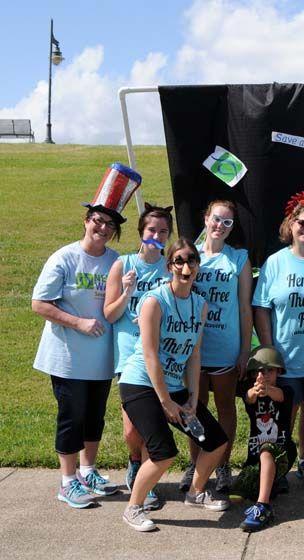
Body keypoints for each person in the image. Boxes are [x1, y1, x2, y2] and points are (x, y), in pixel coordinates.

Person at [31, 163, 140, 508]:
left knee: (94, 416)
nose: (103, 227)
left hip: (101, 358)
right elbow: (39, 303)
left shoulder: (116, 261)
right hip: (67, 357)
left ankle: (88, 470)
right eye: (97, 220)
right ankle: (67, 481)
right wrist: (77, 322)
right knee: (72, 416)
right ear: (86, 220)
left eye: (110, 224)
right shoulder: (64, 258)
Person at [119, 238, 229, 532]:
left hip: (173, 386)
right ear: (170, 267)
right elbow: (150, 354)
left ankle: (195, 493)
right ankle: (133, 508)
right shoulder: (155, 301)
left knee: (216, 440)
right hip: (141, 384)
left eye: (191, 260)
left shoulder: (199, 305)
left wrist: (192, 396)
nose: (186, 266)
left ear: (197, 266)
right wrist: (166, 400)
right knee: (163, 452)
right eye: (179, 261)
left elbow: (194, 353)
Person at [253, 192, 304, 488]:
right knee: (284, 412)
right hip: (285, 355)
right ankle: (279, 464)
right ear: (291, 224)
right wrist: (269, 349)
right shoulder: (275, 262)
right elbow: (261, 307)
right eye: (301, 223)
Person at [104, 203, 173, 509]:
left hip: (161, 355)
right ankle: (135, 460)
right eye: (151, 230)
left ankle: (147, 481)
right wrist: (128, 293)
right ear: (141, 232)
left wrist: (151, 317)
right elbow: (109, 313)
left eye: (162, 231)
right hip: (130, 354)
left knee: (152, 422)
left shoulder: (171, 266)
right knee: (132, 428)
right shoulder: (123, 264)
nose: (156, 235)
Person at [181, 200, 253, 494]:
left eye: (227, 223)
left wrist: (245, 349)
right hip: (193, 347)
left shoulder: (238, 259)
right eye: (216, 219)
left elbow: (245, 308)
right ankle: (195, 463)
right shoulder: (190, 257)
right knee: (194, 408)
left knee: (225, 407)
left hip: (225, 346)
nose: (220, 226)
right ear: (205, 218)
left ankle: (222, 465)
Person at [232, 346, 296, 532]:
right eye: (260, 371)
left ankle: (263, 507)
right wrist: (256, 390)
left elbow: (280, 396)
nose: (265, 374)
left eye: (270, 370)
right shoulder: (251, 392)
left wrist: (267, 389)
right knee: (237, 492)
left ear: (279, 371)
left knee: (267, 449)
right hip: (255, 458)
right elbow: (249, 397)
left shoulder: (286, 391)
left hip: (281, 451)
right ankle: (273, 483)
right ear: (253, 374)